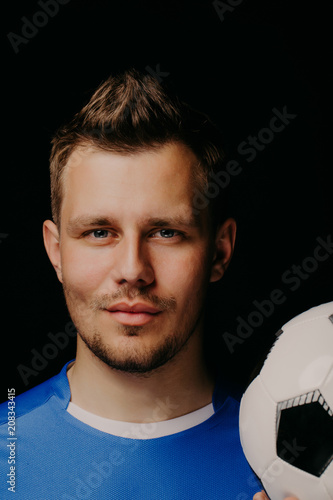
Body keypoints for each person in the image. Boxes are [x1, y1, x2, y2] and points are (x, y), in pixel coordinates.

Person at [0, 69, 299, 500]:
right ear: (56, 251)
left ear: (219, 251)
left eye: (166, 232)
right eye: (99, 232)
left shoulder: (295, 466)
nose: (133, 269)